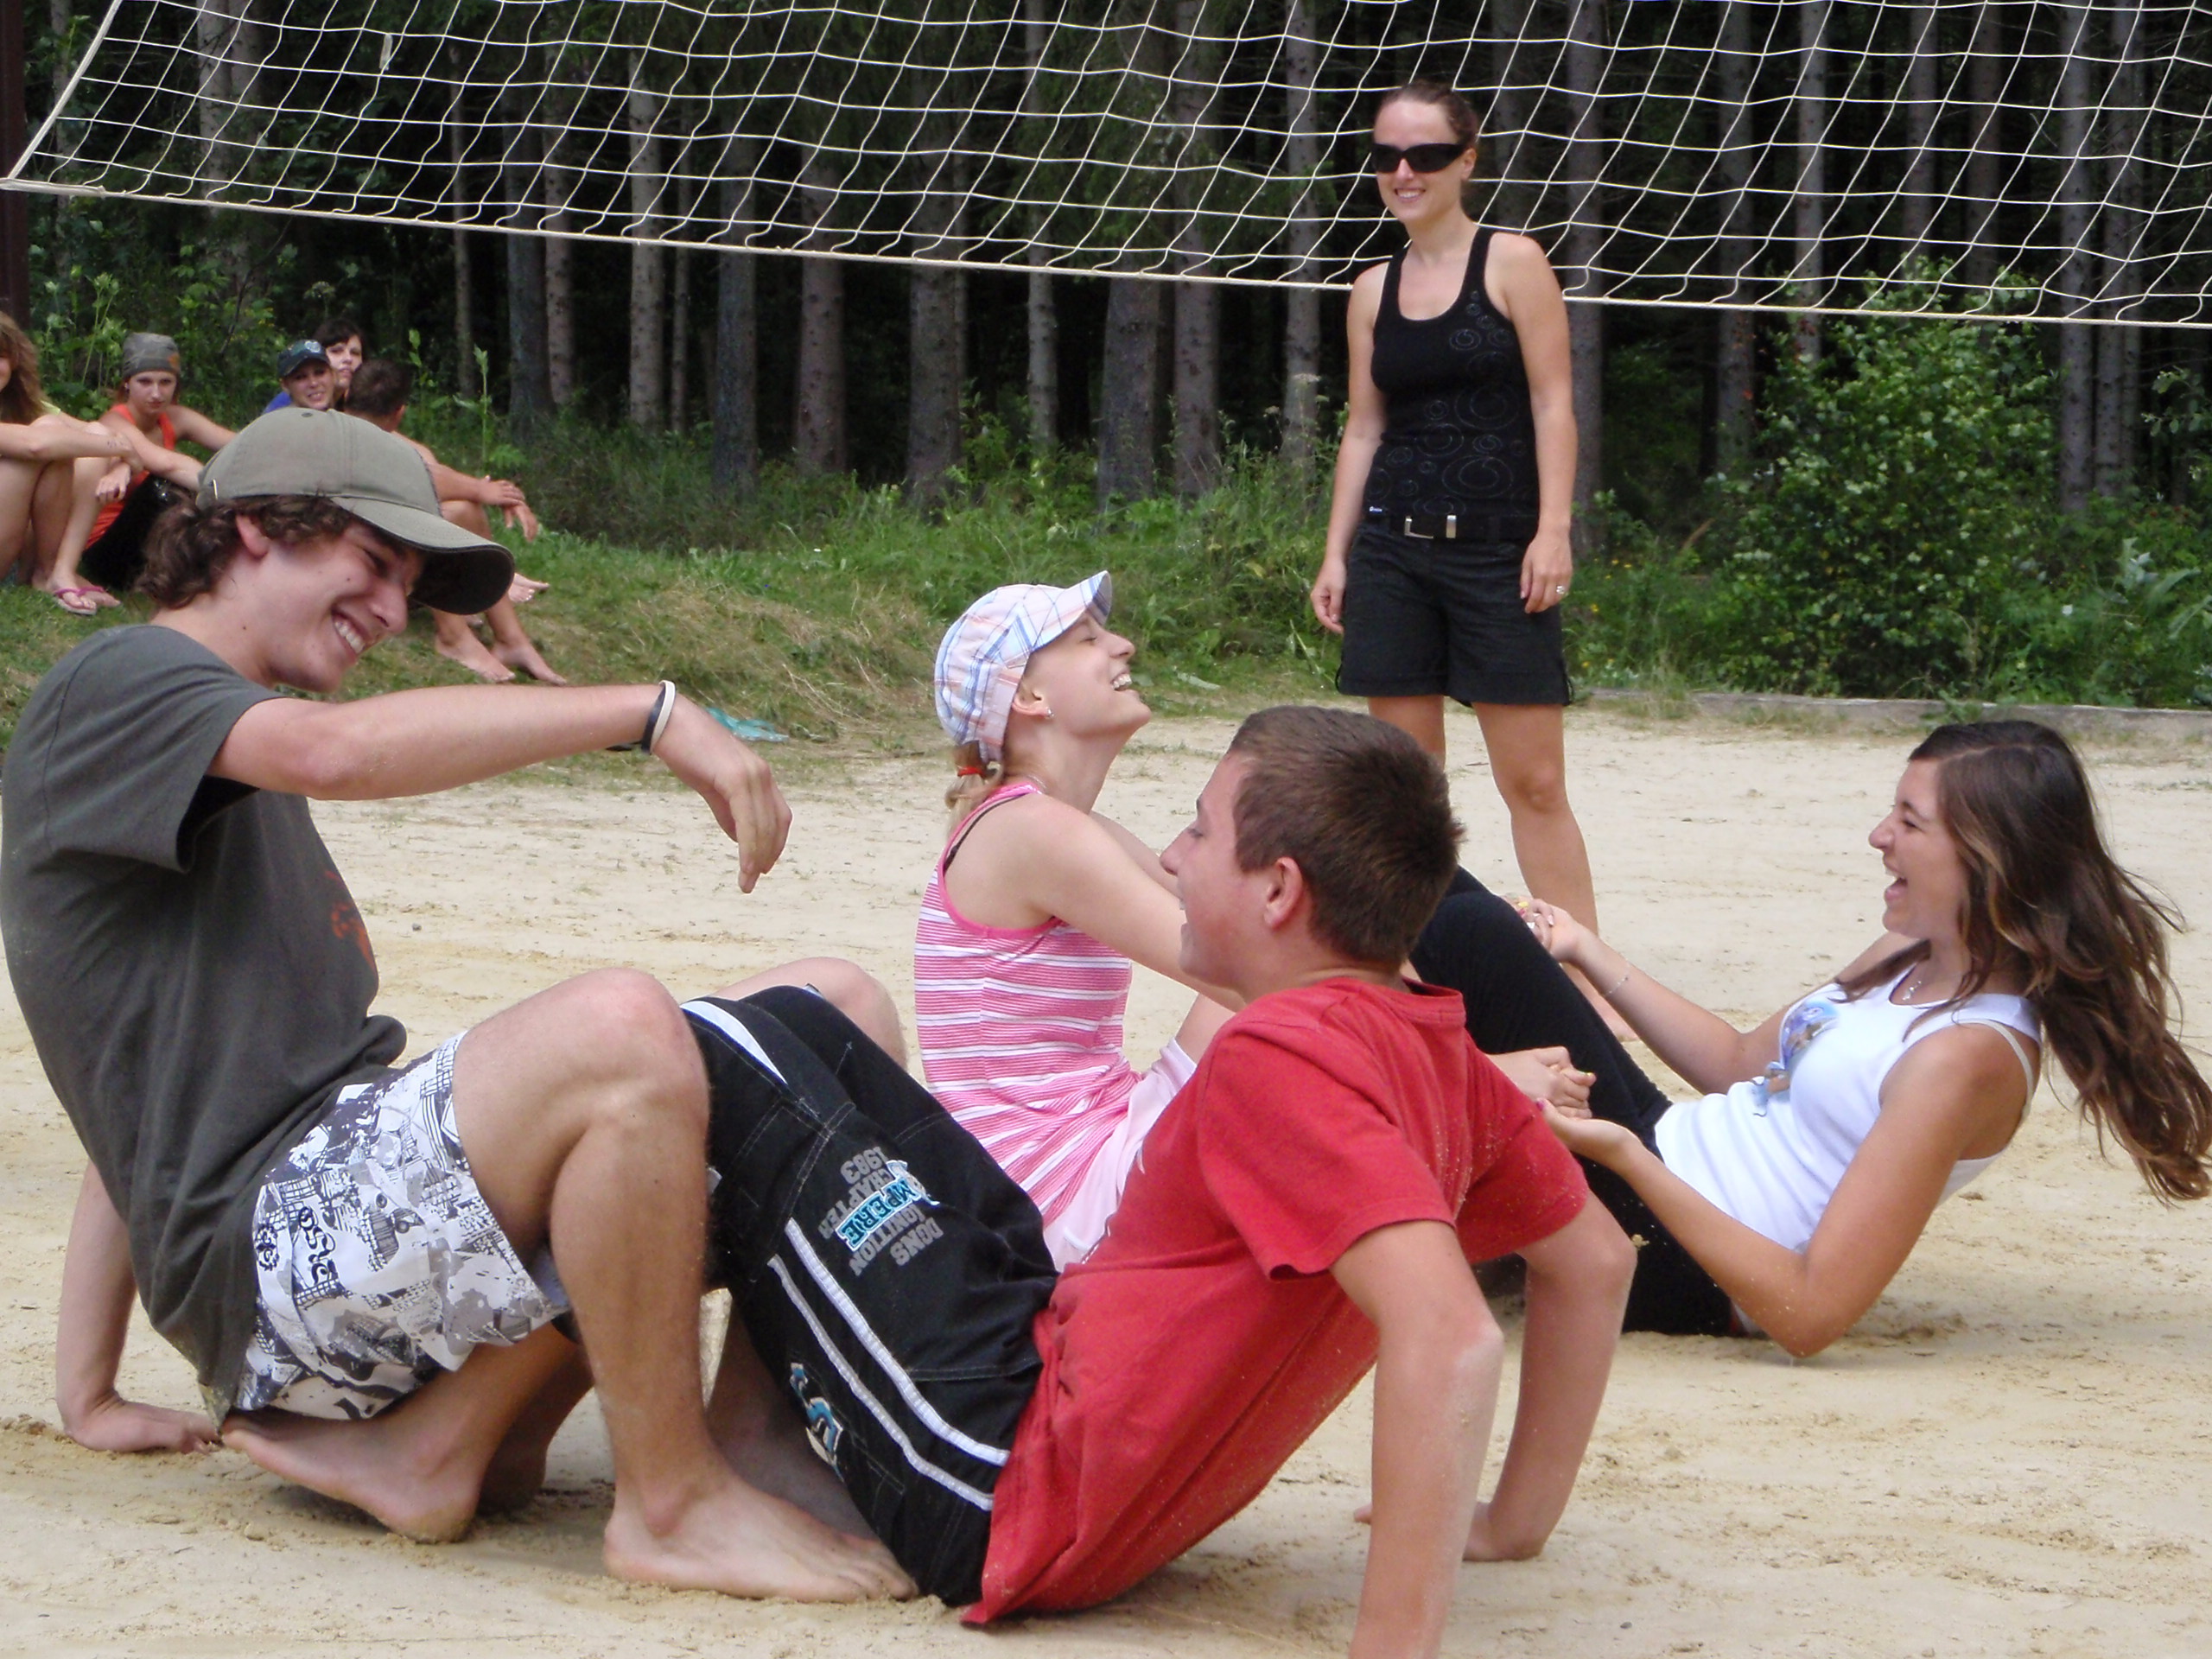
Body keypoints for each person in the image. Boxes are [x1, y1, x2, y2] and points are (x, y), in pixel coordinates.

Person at [5, 404, 913, 1599]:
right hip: (279, 1278)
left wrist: (88, 1390)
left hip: (332, 1253)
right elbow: (340, 752)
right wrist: (646, 712)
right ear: (256, 530)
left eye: (407, 584)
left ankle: (673, 1441)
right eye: (373, 563)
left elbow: (128, 1094)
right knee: (618, 1030)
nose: (393, 612)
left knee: (826, 1011)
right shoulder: (124, 679)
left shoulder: (210, 763)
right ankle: (671, 1505)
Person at [678, 704, 1635, 1639]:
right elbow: (1596, 1263)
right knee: (811, 1029)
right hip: (1076, 1424)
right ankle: (741, 1438)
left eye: (1199, 830)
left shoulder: (1280, 1053)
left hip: (1002, 1487)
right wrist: (1513, 1524)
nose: (1172, 857)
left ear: (1278, 891)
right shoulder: (1439, 1049)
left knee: (718, 1043)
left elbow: (1451, 1335)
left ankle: (669, 1498)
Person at [1410, 720, 2212, 1357]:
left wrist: (1618, 1153)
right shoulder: (1911, 951)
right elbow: (1737, 1064)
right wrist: (1586, 950)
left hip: (1682, 1257)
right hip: (1664, 1145)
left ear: (1987, 858)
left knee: (1470, 930)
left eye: (1909, 822)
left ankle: (1366, 1085)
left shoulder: (1967, 1055)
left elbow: (1810, 1310)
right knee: (1422, 862)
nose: (1878, 836)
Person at [920, 573, 1592, 1267]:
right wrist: (1478, 1075)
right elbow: (1244, 974)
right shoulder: (1032, 832)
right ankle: (1466, 1120)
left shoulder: (1056, 827)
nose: (1122, 645)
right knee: (1273, 949)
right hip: (1060, 1196)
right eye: (1088, 640)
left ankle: (1453, 1126)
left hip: (1082, 1153)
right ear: (1029, 697)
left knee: (1309, 918)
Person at [1307, 80, 1617, 1024]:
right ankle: (1419, 972)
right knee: (1409, 789)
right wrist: (1336, 554)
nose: (1404, 172)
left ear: (1466, 162)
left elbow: (1554, 403)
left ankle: (1586, 984)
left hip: (1496, 554)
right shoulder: (1371, 289)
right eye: (1386, 156)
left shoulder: (1514, 260)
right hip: (1393, 555)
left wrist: (1553, 529)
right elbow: (1364, 429)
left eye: (1426, 155)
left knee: (1535, 783)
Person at [345, 357, 562, 683]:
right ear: (399, 413)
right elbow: (412, 479)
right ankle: (453, 637)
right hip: (346, 554)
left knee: (463, 511)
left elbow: (425, 464)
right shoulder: (335, 437)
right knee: (423, 515)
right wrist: (481, 489)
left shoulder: (361, 431)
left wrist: (486, 492)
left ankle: (511, 639)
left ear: (348, 395)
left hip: (376, 549)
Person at [0, 313, 181, 613]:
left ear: (15, 360)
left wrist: (122, 464)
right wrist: (123, 449)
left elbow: (97, 433)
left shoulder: (24, 405)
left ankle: (56, 571)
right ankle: (48, 572)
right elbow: (35, 445)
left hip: (16, 545)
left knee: (78, 434)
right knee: (51, 436)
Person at [68, 333, 232, 600]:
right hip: (104, 551)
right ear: (127, 383)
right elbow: (166, 464)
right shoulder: (114, 422)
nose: (156, 393)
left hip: (148, 542)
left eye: (165, 382)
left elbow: (236, 444)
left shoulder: (175, 417)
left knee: (185, 491)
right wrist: (227, 492)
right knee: (165, 488)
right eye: (144, 382)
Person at [263, 318, 364, 411]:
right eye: (336, 351)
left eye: (355, 353)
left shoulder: (356, 400)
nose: (348, 359)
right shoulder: (284, 405)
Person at [269, 339, 337, 412]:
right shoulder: (276, 419)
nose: (313, 383)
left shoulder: (342, 418)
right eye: (300, 377)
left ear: (333, 375)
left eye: (320, 373)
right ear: (285, 385)